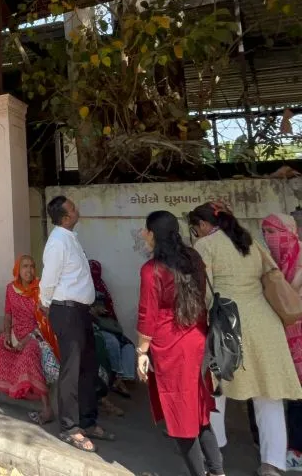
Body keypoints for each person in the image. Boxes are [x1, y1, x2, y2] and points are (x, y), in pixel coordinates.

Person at [190, 202, 302, 475]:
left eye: (195, 228)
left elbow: (204, 293)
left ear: (203, 225)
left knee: (216, 391)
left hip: (228, 324)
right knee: (269, 395)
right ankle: (272, 465)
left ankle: (214, 457)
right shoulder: (250, 241)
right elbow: (271, 276)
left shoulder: (205, 246)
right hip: (265, 324)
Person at [137, 211, 222, 476]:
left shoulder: (152, 270)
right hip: (197, 340)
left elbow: (147, 314)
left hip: (171, 348)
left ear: (153, 234)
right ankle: (217, 471)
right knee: (199, 412)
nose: (143, 234)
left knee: (180, 416)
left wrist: (141, 352)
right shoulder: (193, 258)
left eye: (146, 230)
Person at [39, 195, 112, 452]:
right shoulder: (57, 242)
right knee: (71, 369)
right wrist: (46, 303)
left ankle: (87, 421)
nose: (76, 208)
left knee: (88, 367)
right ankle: (69, 427)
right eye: (72, 207)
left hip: (80, 312)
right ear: (65, 217)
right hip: (66, 311)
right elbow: (48, 280)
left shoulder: (70, 238)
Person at [0, 255, 57, 422]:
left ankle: (47, 408)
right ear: (18, 270)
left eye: (32, 266)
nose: (29, 270)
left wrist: (26, 340)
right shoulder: (11, 289)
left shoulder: (40, 289)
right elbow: (8, 314)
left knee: (29, 355)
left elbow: (43, 321)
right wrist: (7, 334)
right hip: (15, 332)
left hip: (36, 333)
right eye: (25, 266)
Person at [262, 213, 302, 458]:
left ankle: (296, 450)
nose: (269, 238)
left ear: (292, 231)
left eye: (274, 231)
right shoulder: (269, 261)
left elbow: (288, 294)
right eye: (265, 232)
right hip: (280, 335)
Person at [88, 260, 136, 410]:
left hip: (108, 324)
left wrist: (105, 312)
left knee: (128, 345)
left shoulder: (102, 287)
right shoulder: (84, 287)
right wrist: (94, 312)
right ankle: (116, 378)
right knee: (112, 342)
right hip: (95, 326)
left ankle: (122, 378)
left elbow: (110, 308)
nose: (95, 275)